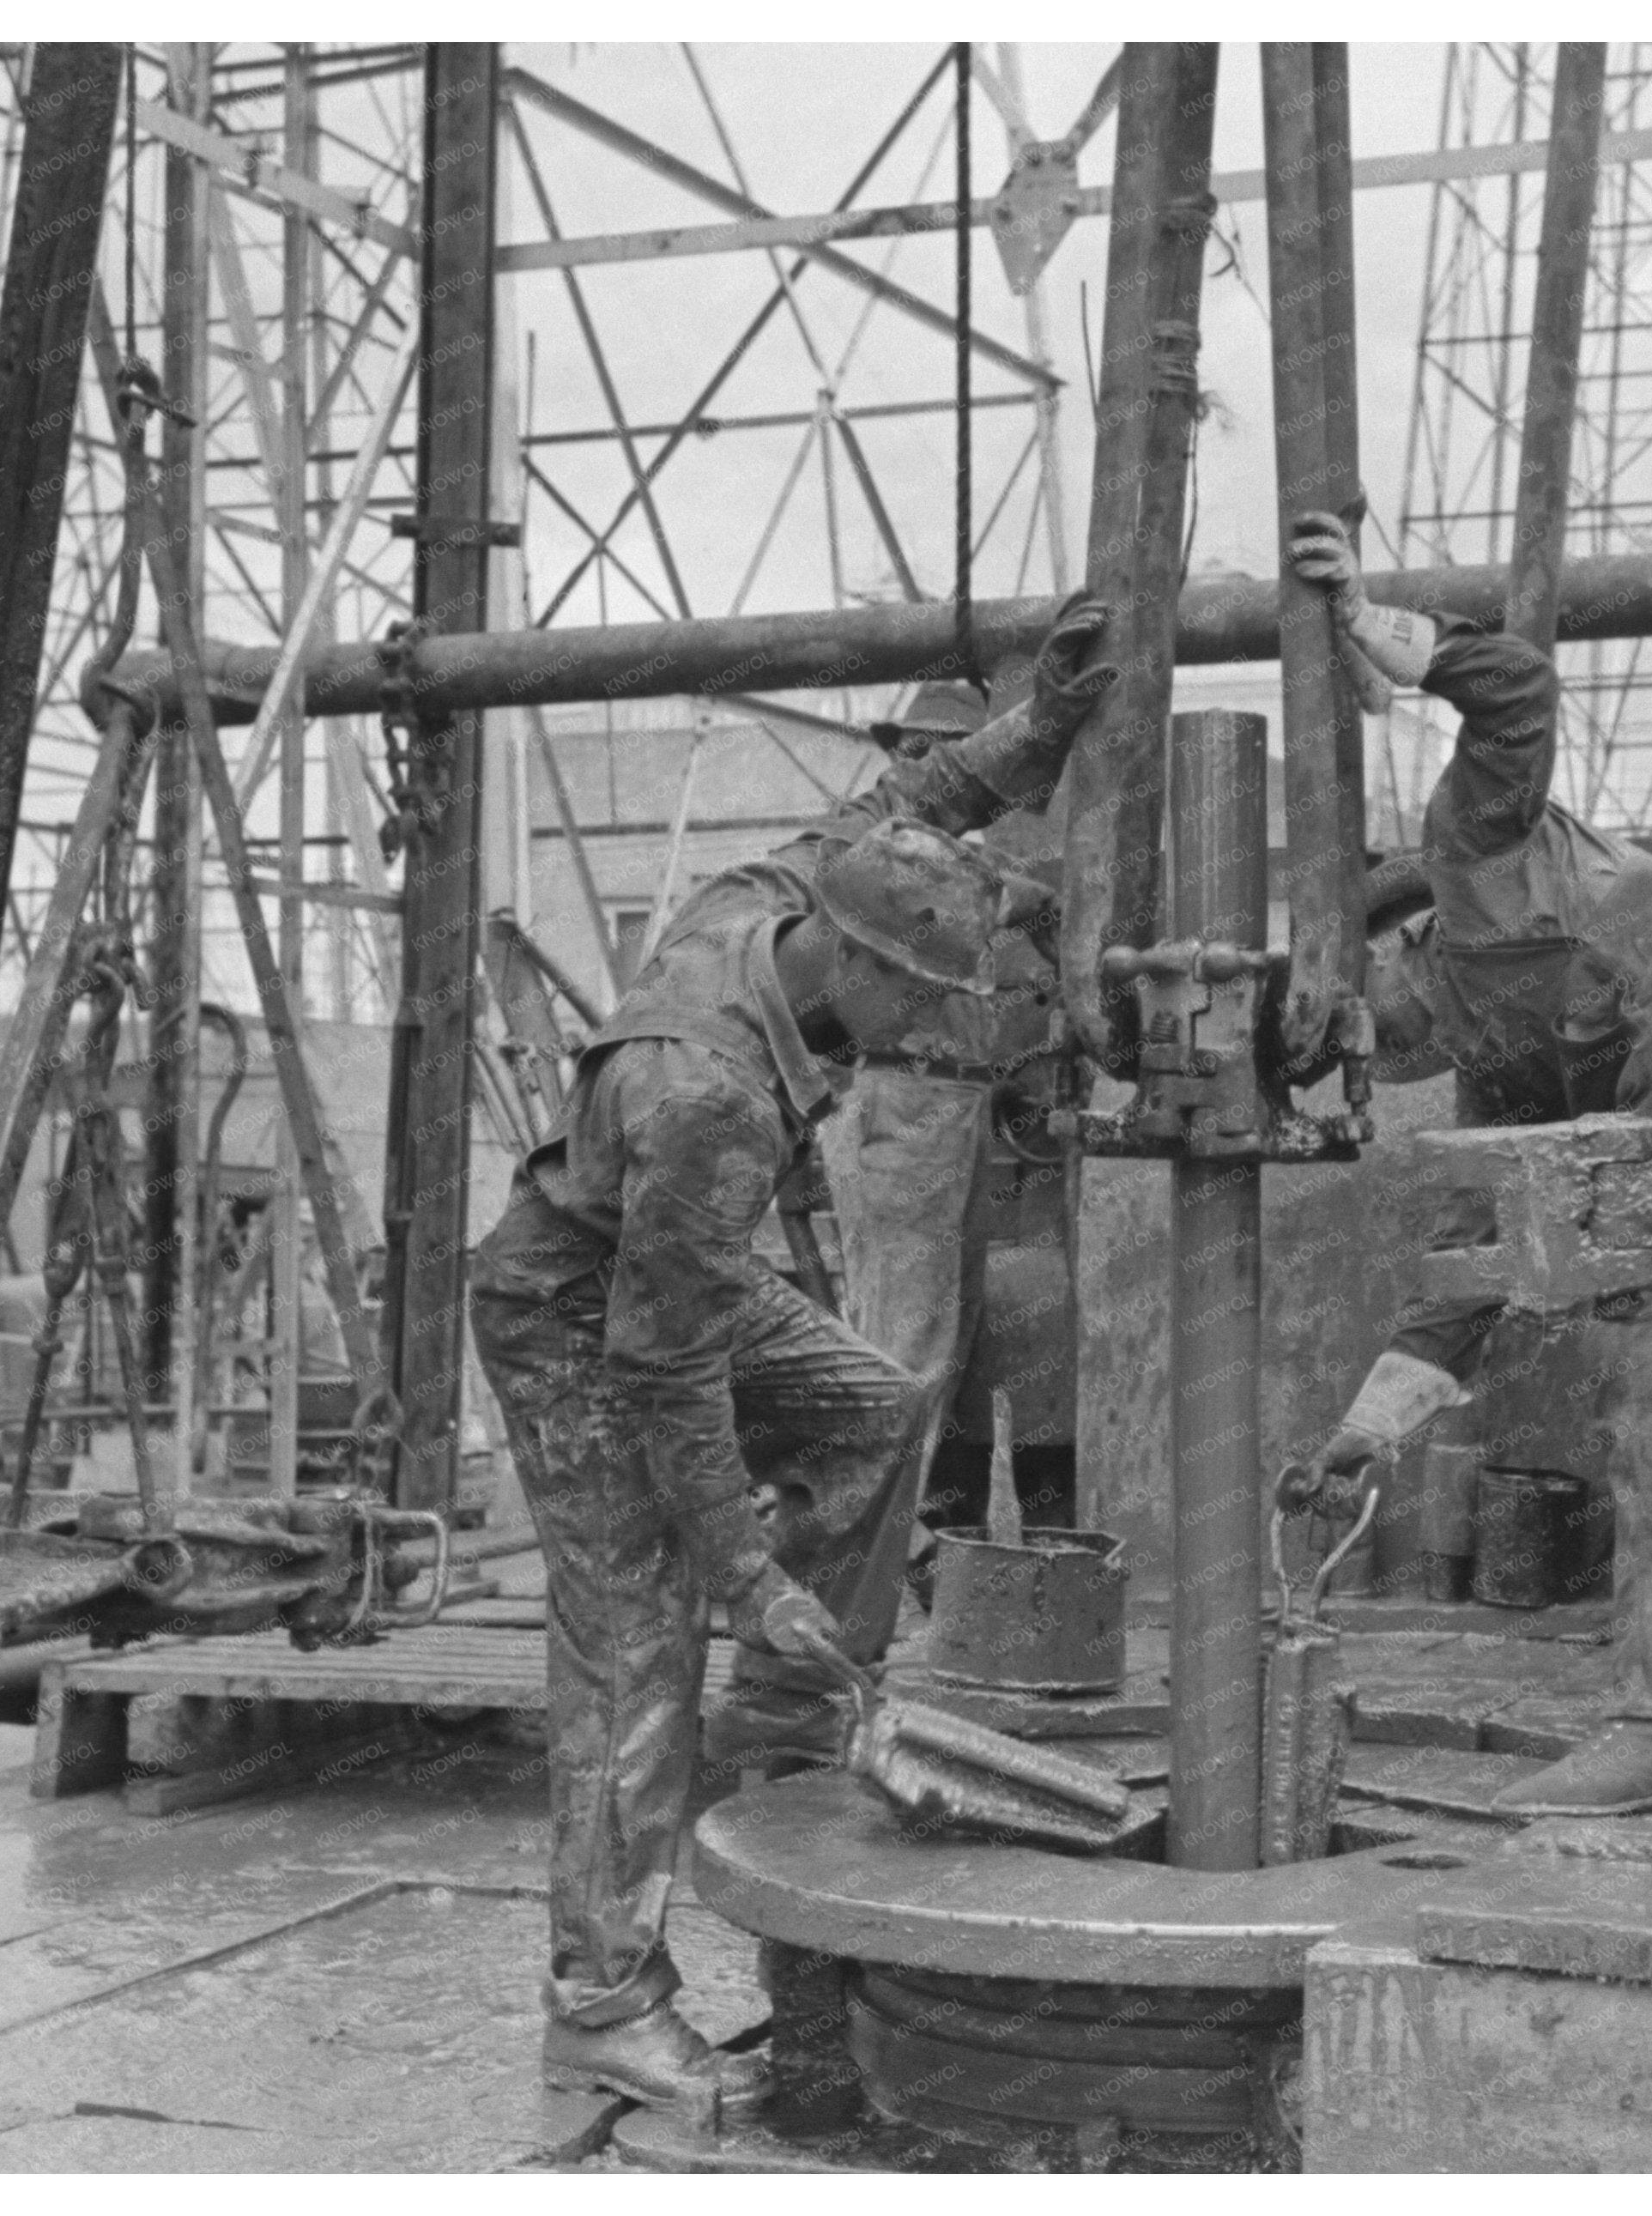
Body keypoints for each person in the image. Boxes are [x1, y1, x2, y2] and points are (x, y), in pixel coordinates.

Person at [469, 593, 1115, 2111]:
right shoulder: (709, 1100)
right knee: (631, 1650)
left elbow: (909, 802)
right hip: (574, 1315)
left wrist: (1043, 728)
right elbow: (663, 1375)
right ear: (868, 971)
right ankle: (600, 1998)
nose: (932, 1020)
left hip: (655, 1271)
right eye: (926, 999)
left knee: (873, 1401)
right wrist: (745, 1573)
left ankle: (786, 1698)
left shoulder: (784, 896)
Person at [1268, 512, 1652, 1819]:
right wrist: (1361, 1432)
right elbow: (1467, 1268)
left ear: (1399, 944)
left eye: (1357, 1009)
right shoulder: (1501, 1057)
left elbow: (1516, 691)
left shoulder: (1473, 856)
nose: (1371, 1043)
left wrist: (1371, 632)